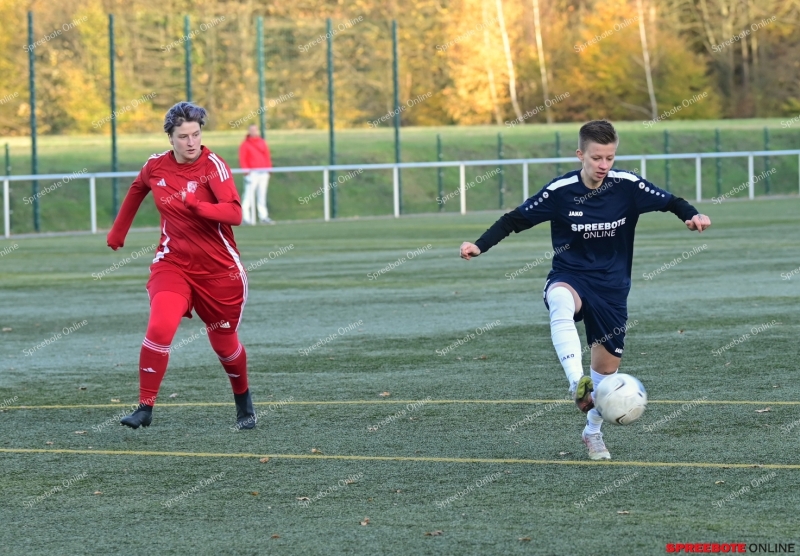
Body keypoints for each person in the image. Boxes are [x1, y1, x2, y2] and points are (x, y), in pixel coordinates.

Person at [459, 120, 711, 460]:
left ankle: (592, 432)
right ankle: (576, 381)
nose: (604, 165)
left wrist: (692, 216)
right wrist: (479, 245)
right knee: (560, 300)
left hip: (612, 289)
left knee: (606, 375)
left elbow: (671, 201)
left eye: (610, 157)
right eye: (596, 158)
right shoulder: (560, 191)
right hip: (571, 275)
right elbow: (514, 219)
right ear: (581, 155)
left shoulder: (627, 186)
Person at [107, 101, 256, 430]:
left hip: (220, 272)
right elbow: (137, 188)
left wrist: (198, 206)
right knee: (160, 326)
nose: (192, 142)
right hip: (172, 263)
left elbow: (234, 213)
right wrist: (119, 231)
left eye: (196, 134)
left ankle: (243, 401)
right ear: (170, 138)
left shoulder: (213, 166)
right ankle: (145, 408)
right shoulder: (156, 166)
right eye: (184, 136)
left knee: (225, 346)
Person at [239, 124, 273, 224]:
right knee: (248, 196)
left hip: (263, 173)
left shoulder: (262, 142)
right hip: (252, 173)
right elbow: (243, 159)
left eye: (255, 130)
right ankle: (246, 218)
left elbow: (267, 156)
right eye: (252, 130)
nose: (253, 131)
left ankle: (263, 217)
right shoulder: (245, 144)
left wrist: (269, 169)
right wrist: (246, 173)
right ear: (249, 131)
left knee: (262, 195)